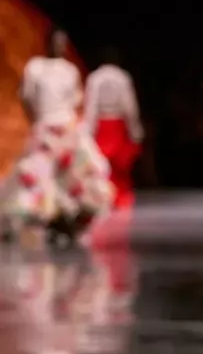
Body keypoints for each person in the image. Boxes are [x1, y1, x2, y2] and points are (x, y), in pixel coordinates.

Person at [1, 27, 113, 243]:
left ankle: (69, 221)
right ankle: (46, 220)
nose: (58, 46)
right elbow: (27, 96)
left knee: (77, 176)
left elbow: (75, 98)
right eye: (55, 42)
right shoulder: (35, 68)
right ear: (47, 43)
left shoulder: (69, 70)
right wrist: (37, 120)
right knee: (40, 177)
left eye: (62, 43)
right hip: (45, 128)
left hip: (67, 128)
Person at [84, 46, 144, 209]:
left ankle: (103, 197)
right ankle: (119, 198)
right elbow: (129, 106)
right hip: (117, 124)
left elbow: (91, 105)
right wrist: (135, 129)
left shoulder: (95, 78)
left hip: (102, 124)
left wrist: (88, 130)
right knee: (119, 166)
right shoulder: (122, 77)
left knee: (102, 164)